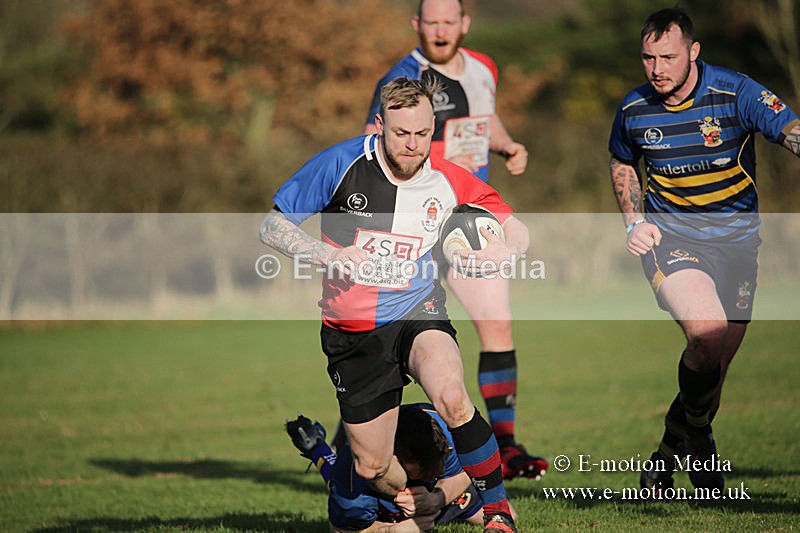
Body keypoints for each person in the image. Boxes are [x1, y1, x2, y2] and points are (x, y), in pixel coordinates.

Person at [260, 77, 525, 532]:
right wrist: (330, 254)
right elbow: (273, 226)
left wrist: (504, 252)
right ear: (381, 125)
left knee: (452, 397)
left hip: (418, 310)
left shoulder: (445, 177)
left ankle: (498, 513)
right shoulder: (341, 164)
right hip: (353, 330)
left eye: (422, 134)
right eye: (401, 133)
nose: (412, 144)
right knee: (374, 469)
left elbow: (514, 226)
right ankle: (419, 495)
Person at [347, 0, 546, 482]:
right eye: (430, 22)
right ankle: (356, 455)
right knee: (379, 346)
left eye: (447, 22)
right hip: (414, 225)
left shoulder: (483, 68)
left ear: (464, 24)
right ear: (417, 25)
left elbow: (485, 117)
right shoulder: (400, 79)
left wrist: (507, 144)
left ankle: (506, 446)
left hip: (467, 222)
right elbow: (379, 145)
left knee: (497, 325)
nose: (439, 31)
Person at [608, 7, 800, 493]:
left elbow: (791, 132)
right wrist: (633, 221)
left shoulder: (734, 92)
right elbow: (623, 159)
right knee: (707, 333)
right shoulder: (634, 108)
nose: (656, 70)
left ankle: (672, 453)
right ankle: (698, 442)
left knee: (713, 370)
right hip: (671, 240)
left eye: (667, 57)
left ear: (694, 52)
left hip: (738, 248)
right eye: (648, 58)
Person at [286, 403, 510, 531]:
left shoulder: (446, 431)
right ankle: (317, 449)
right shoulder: (360, 473)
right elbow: (342, 530)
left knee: (503, 514)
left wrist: (436, 499)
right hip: (371, 487)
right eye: (425, 471)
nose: (435, 472)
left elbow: (470, 472)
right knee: (342, 485)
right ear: (395, 459)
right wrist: (392, 531)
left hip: (435, 494)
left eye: (439, 465)